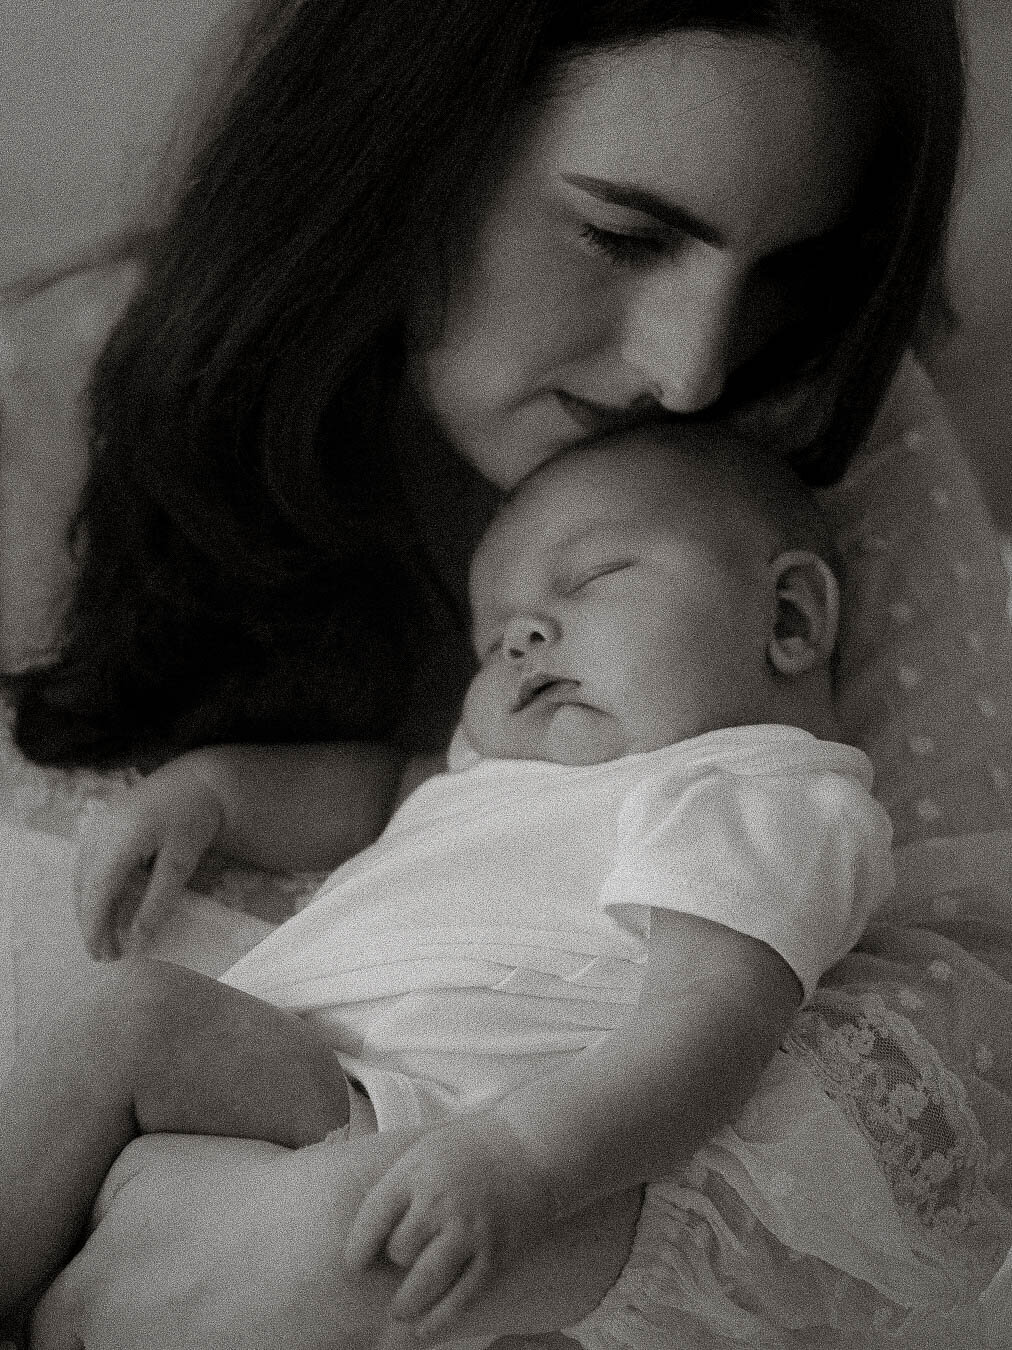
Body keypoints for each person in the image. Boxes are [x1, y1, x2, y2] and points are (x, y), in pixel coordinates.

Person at [14, 1, 1012, 1347]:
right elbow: (397, 787)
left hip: (418, 1169)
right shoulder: (65, 398)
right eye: (621, 232)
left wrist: (489, 1209)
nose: (694, 364)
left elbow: (868, 1032)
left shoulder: (782, 568)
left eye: (786, 268)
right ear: (410, 150)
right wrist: (213, 792)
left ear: (793, 616)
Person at [3, 430, 893, 1340]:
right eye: (493, 639)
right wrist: (212, 794)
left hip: (442, 1135)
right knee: (130, 1010)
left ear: (787, 618)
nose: (525, 638)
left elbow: (706, 1028)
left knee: (354, 1241)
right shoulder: (490, 770)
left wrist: (523, 1160)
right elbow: (374, 788)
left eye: (590, 579)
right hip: (290, 1063)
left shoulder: (758, 790)